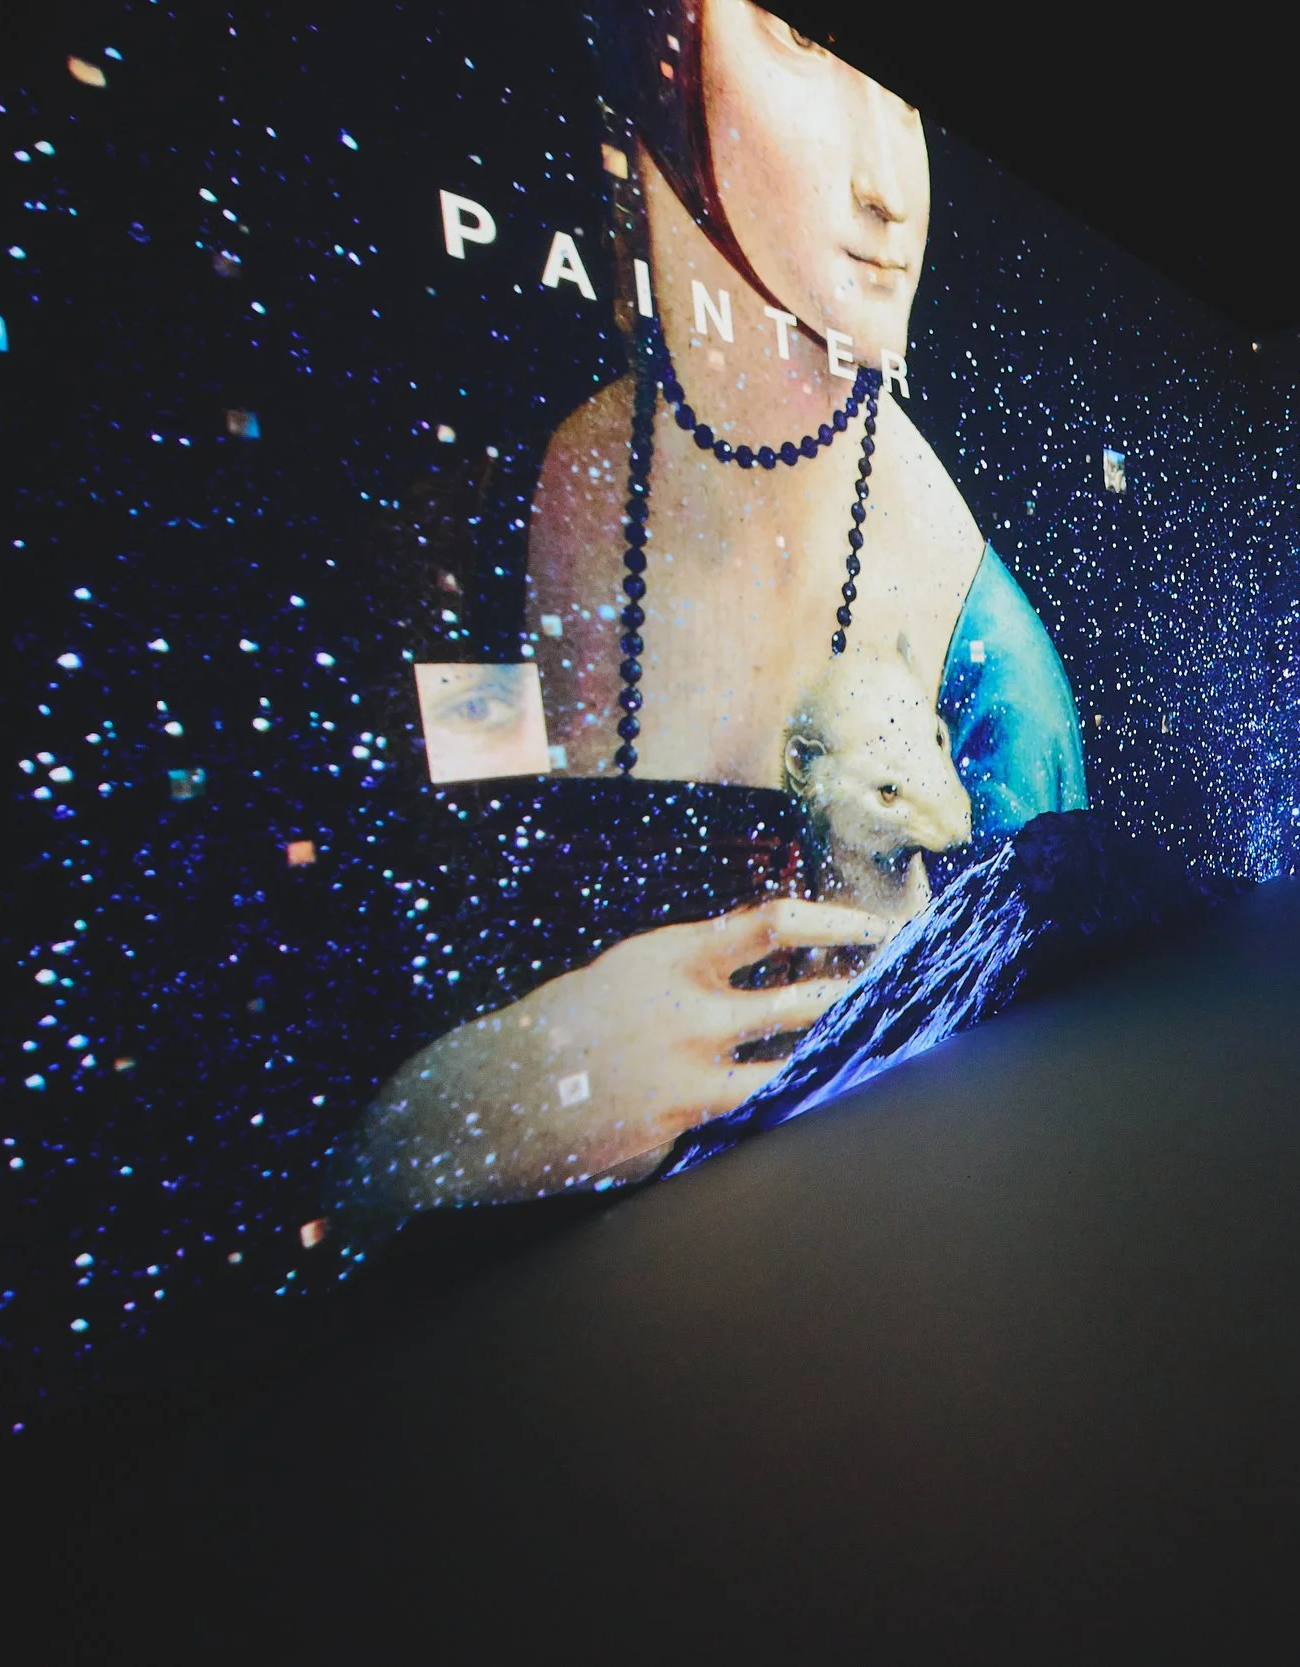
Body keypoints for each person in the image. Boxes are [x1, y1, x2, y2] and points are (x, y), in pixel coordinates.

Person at [332, 1, 1085, 1227]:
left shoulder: (988, 673)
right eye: (802, 42)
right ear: (655, 46)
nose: (894, 184)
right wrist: (458, 1112)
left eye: (902, 94)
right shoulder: (488, 537)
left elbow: (1024, 1113)